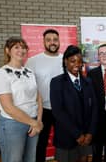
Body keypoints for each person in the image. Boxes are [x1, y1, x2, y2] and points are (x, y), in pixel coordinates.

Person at [0, 37, 43, 162]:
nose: (21, 50)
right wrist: (33, 122)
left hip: (33, 123)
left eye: (23, 47)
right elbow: (8, 108)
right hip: (13, 124)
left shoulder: (29, 72)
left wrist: (39, 121)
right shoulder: (1, 74)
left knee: (30, 159)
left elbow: (38, 98)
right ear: (8, 51)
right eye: (16, 47)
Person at [50, 45, 98, 162]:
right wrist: (77, 134)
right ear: (65, 61)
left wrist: (90, 133)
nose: (77, 64)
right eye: (73, 61)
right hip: (67, 136)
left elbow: (94, 108)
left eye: (80, 61)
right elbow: (58, 111)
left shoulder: (88, 82)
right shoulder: (57, 82)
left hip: (86, 136)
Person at [25, 29, 63, 162]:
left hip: (62, 109)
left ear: (59, 41)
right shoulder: (32, 61)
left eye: (55, 39)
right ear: (43, 42)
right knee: (40, 143)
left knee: (62, 142)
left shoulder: (65, 59)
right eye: (49, 40)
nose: (52, 42)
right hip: (42, 110)